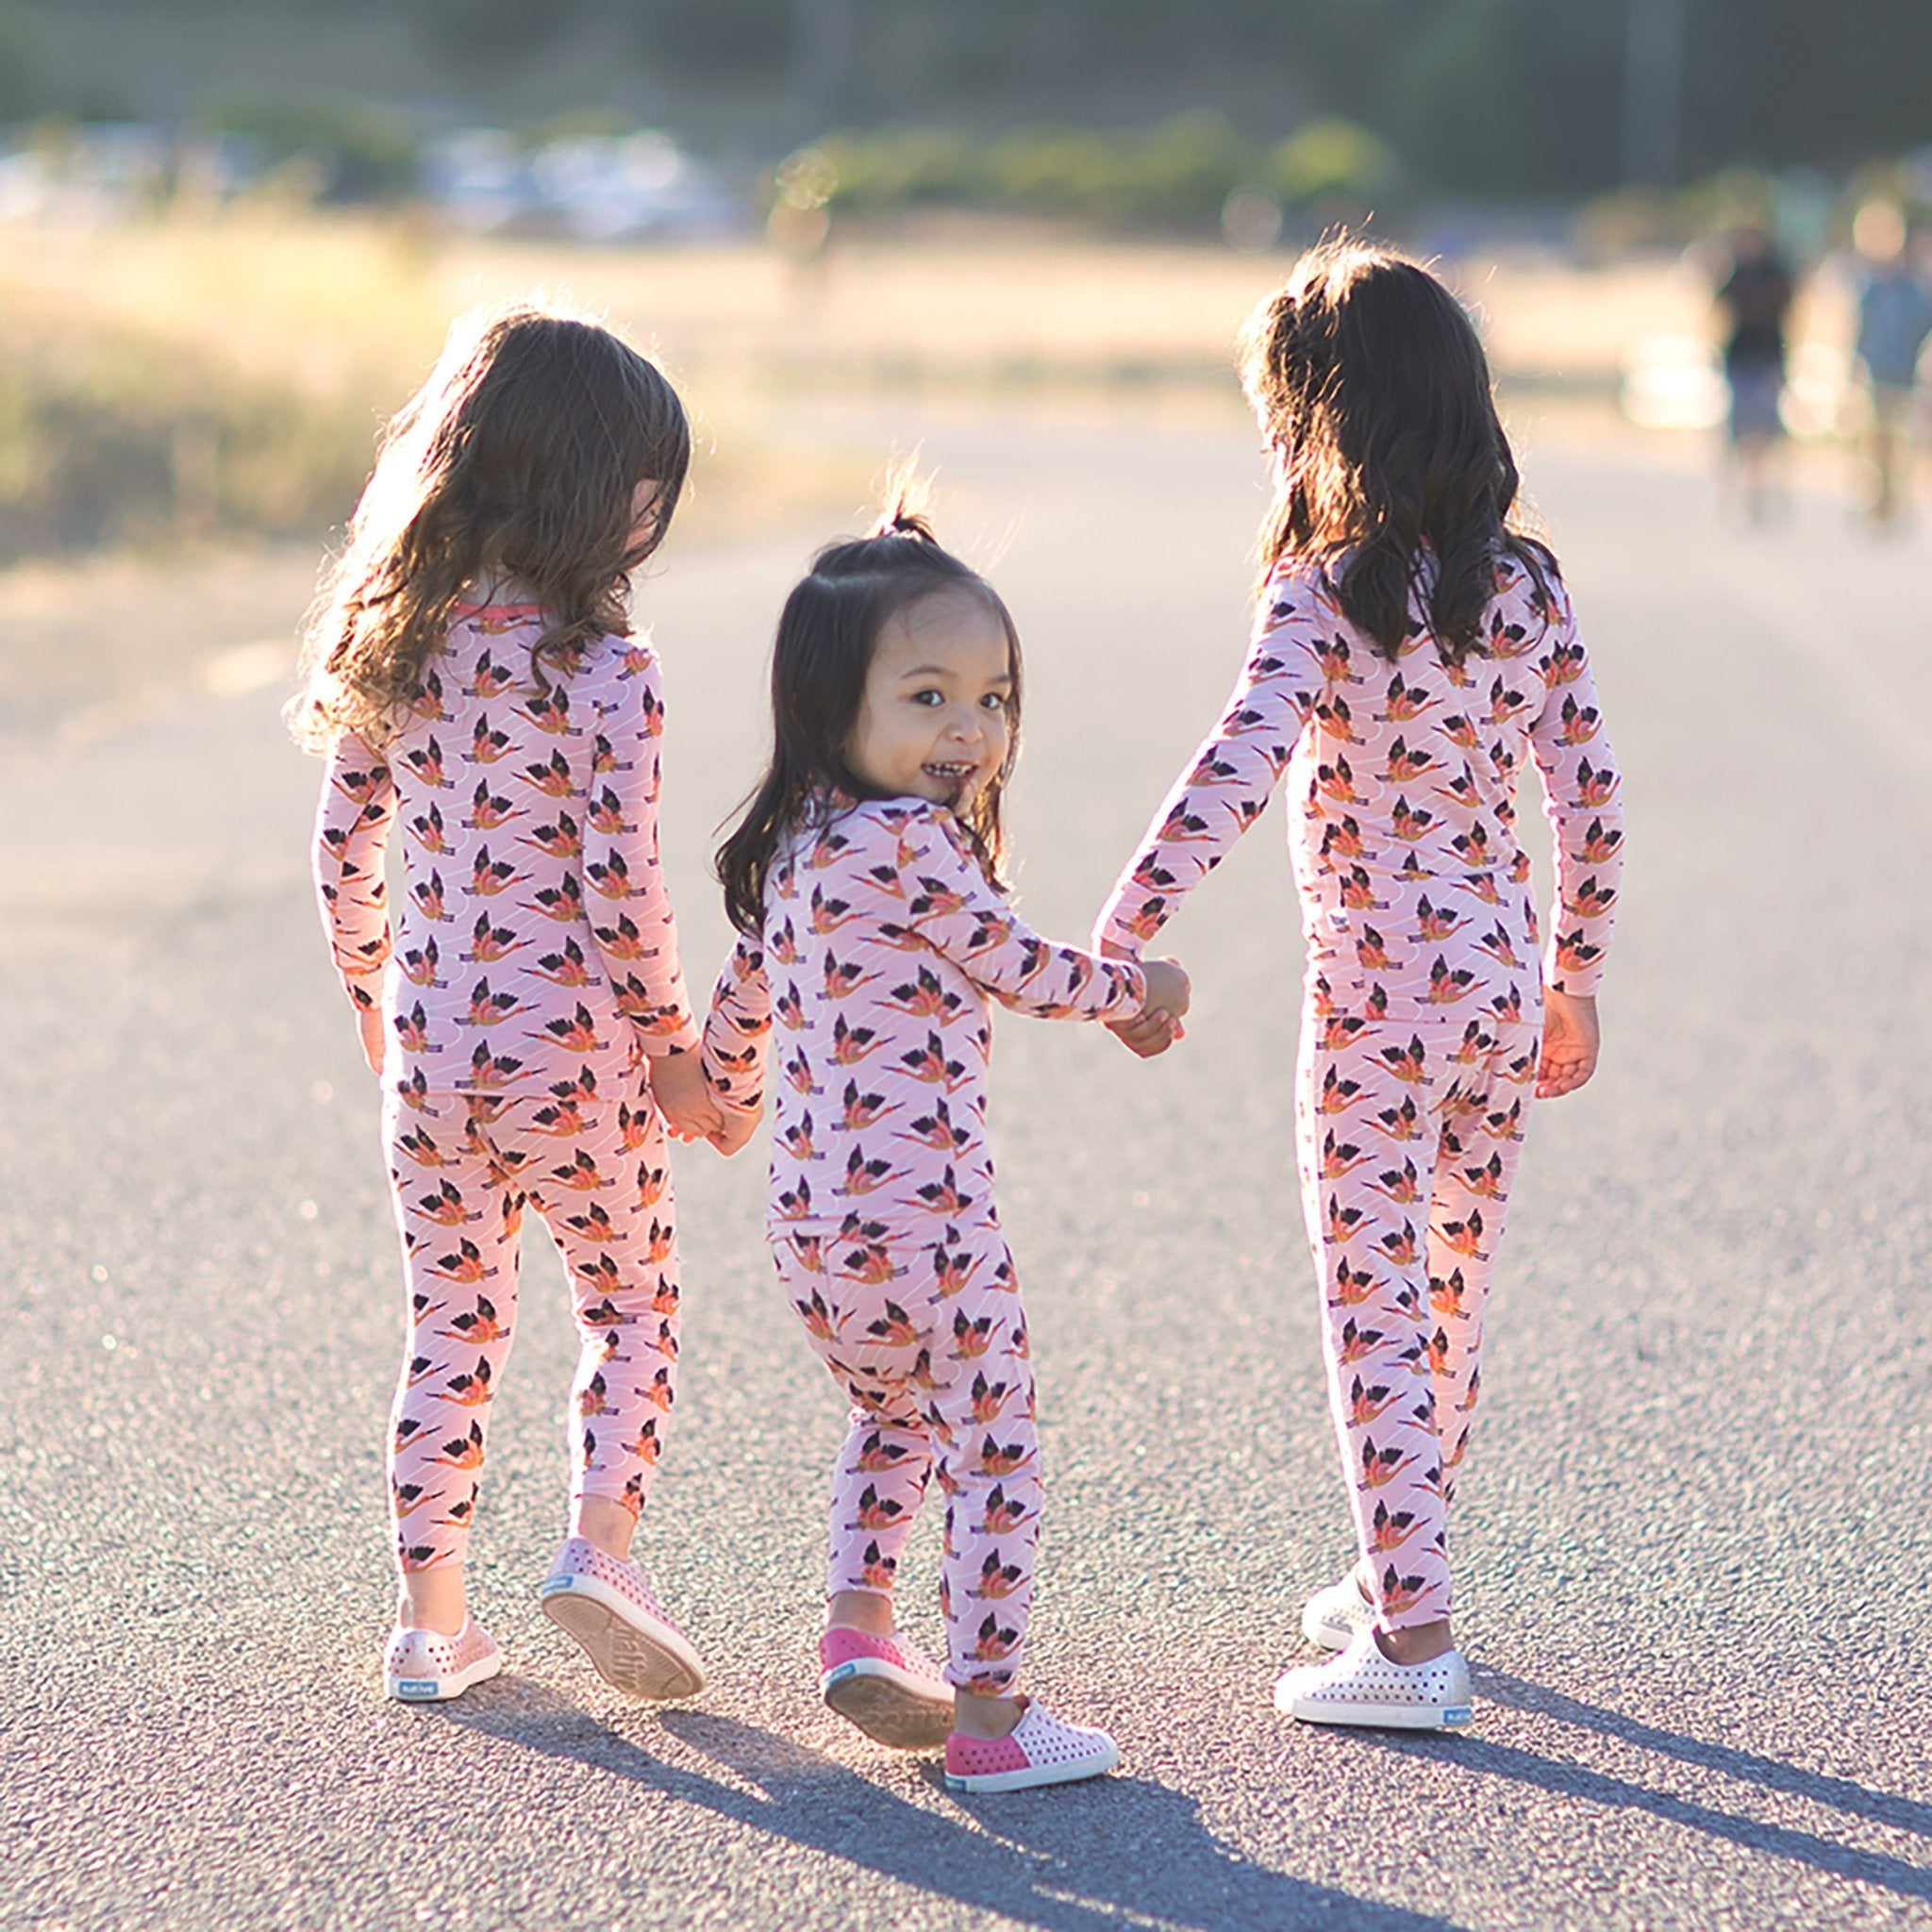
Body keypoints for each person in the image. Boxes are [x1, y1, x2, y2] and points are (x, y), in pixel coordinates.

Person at [1091, 241, 1624, 1731]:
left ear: (1326, 424)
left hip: (1377, 1012)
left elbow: (1233, 773)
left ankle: (1413, 1646)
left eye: (1278, 418)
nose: (1269, 445)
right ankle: (1399, 1570)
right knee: (1447, 1295)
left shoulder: (1320, 595)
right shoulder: (1528, 590)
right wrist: (1572, 973)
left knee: (1372, 1305)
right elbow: (1588, 800)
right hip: (1501, 997)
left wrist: (1120, 936)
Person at [701, 508, 1190, 1792]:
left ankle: (861, 1631)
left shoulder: (795, 848)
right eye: (928, 697)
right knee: (997, 1448)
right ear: (828, 705)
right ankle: (989, 1721)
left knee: (890, 1415)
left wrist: (723, 1098)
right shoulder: (914, 843)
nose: (970, 731)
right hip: (929, 1225)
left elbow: (738, 1012)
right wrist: (1138, 988)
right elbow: (1021, 971)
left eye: (994, 697)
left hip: (811, 1231)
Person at [295, 305, 724, 1703]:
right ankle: (599, 1548)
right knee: (634, 1302)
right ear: (592, 489)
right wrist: (676, 1055)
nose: (655, 514)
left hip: (430, 1049)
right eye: (648, 488)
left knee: (452, 1324)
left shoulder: (396, 649)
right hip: (578, 1060)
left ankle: (430, 1625)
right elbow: (626, 893)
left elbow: (341, 849)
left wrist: (371, 989)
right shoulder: (608, 677)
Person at [1849, 200, 1932, 528]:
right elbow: (1861, 328)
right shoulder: (1870, 286)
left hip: (1906, 374)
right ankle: (1878, 499)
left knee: (1900, 442)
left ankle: (1894, 500)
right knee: (1875, 441)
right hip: (1875, 373)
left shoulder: (1915, 290)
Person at [1713, 225, 1796, 523]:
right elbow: (1717, 309)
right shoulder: (1735, 273)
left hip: (1768, 359)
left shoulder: (1775, 273)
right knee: (1739, 431)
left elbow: (1792, 312)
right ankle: (1739, 491)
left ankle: (1763, 490)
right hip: (1740, 359)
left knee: (1767, 432)